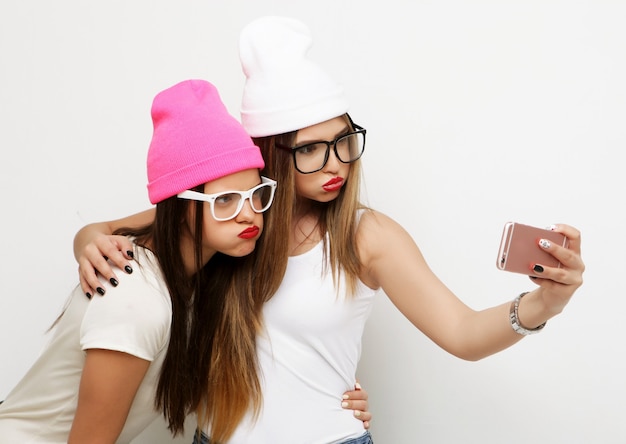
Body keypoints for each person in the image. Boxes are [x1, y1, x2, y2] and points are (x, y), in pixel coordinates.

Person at [71, 16, 585, 444]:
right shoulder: (234, 219)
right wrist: (88, 241)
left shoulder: (367, 236)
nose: (335, 164)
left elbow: (463, 334)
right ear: (271, 152)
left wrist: (542, 305)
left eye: (343, 141)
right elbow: (118, 227)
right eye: (310, 149)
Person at [0, 79, 280, 443]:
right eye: (225, 200)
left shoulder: (193, 265)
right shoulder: (138, 301)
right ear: (179, 208)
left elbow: (101, 228)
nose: (250, 214)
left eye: (256, 193)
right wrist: (88, 241)